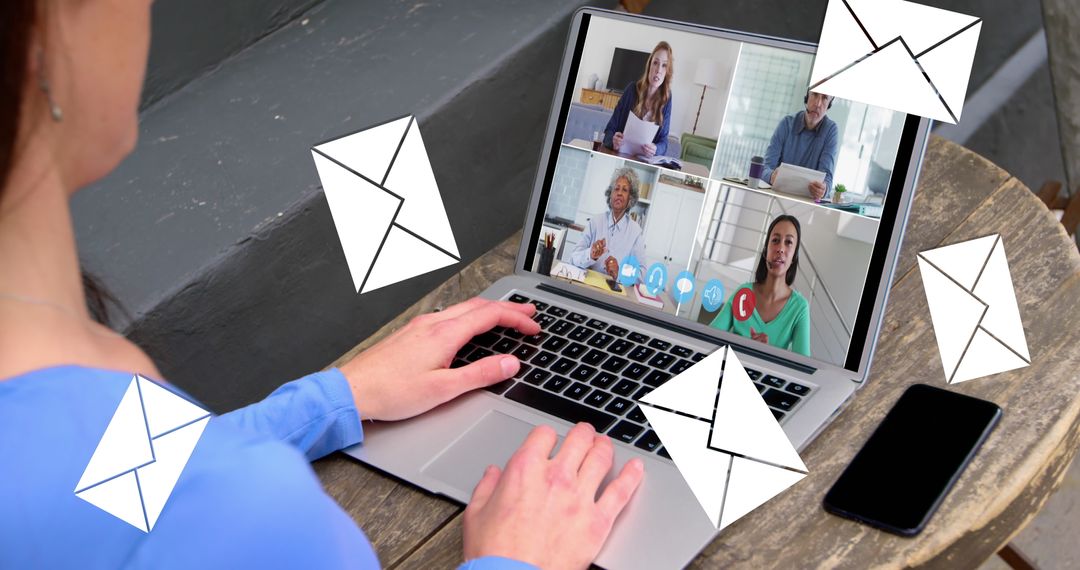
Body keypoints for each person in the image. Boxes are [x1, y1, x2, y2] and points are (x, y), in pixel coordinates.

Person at [0, 1, 643, 569]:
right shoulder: (258, 516)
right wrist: (517, 561)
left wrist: (335, 398)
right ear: (51, 27)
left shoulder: (56, 402)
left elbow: (109, 492)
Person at [709, 215, 811, 357]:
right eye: (775, 240)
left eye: (788, 242)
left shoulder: (800, 308)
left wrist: (766, 354)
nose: (780, 248)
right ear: (766, 250)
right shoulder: (743, 294)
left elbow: (802, 368)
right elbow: (709, 339)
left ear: (794, 256)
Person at [567, 167, 646, 281]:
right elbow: (573, 258)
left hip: (615, 293)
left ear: (630, 198)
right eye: (616, 188)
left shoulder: (635, 232)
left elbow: (642, 274)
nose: (619, 193)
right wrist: (590, 254)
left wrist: (621, 271)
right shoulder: (595, 222)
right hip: (587, 285)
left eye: (624, 190)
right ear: (610, 194)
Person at [760, 90, 839, 201]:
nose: (818, 104)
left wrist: (823, 189)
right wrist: (772, 176)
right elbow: (764, 168)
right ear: (807, 97)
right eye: (815, 94)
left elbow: (827, 180)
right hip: (776, 197)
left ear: (829, 104)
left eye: (825, 98)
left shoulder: (831, 130)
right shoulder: (786, 124)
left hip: (806, 202)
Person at [603, 41, 674, 158]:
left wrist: (656, 149)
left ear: (667, 72)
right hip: (620, 155)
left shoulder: (667, 98)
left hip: (643, 161)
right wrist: (613, 141)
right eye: (655, 63)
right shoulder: (631, 90)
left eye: (664, 65)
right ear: (649, 65)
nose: (658, 70)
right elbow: (609, 131)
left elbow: (664, 142)